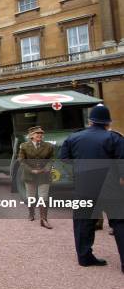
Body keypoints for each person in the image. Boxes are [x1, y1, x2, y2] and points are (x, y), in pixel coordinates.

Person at [60, 104, 124, 271]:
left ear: (90, 121)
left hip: (84, 184)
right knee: (119, 222)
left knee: (82, 222)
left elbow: (64, 159)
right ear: (107, 122)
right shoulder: (114, 138)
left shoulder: (74, 137)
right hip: (110, 186)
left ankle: (85, 257)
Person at [17, 126, 55, 228]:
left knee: (43, 197)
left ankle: (44, 219)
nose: (39, 135)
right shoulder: (24, 146)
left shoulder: (48, 146)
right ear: (31, 136)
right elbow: (21, 160)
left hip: (44, 174)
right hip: (29, 174)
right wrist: (31, 170)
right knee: (31, 196)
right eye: (36, 133)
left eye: (41, 133)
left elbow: (51, 159)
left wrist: (46, 168)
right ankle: (31, 213)